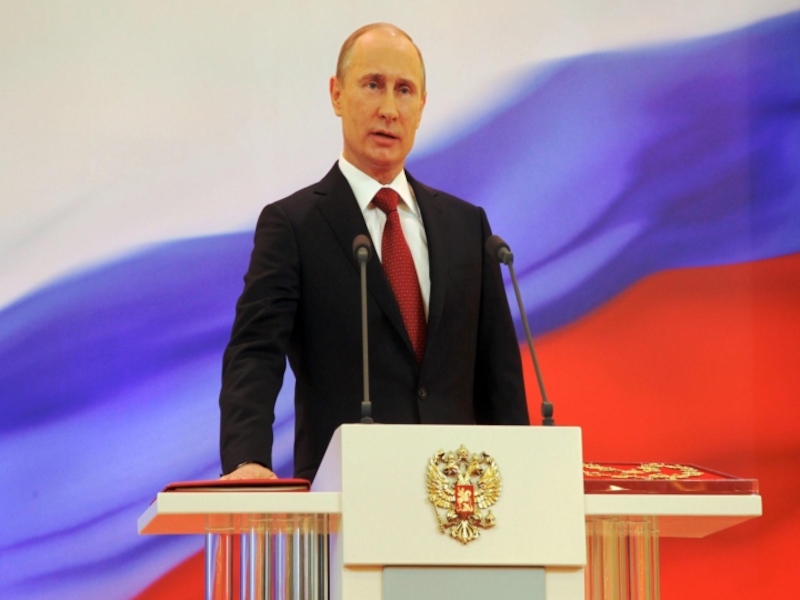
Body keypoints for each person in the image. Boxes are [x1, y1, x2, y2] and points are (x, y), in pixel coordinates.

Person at [219, 23, 529, 482]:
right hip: (347, 495)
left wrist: (522, 479)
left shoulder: (469, 227)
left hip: (459, 502)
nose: (388, 109)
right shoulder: (294, 226)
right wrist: (248, 459)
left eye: (404, 90)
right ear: (337, 94)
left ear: (421, 106)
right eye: (372, 85)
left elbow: (499, 375)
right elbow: (255, 352)